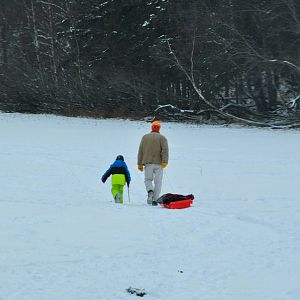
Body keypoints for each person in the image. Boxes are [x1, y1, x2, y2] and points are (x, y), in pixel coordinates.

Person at [137, 120, 169, 205]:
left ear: (152, 128)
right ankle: (155, 199)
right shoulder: (162, 138)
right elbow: (165, 150)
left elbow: (141, 151)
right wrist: (165, 161)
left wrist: (139, 163)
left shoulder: (145, 137)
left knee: (148, 179)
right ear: (159, 128)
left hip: (148, 163)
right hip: (159, 163)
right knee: (158, 181)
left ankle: (150, 191)